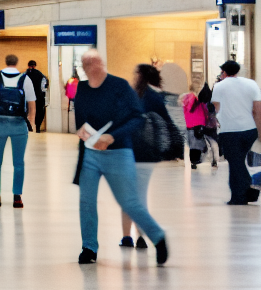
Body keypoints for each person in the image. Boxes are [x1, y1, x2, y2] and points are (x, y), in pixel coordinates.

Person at [72, 49, 167, 264]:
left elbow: (137, 118)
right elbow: (80, 119)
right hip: (90, 154)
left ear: (102, 64)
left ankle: (158, 237)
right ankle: (89, 247)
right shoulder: (83, 89)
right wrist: (81, 131)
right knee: (86, 201)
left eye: (94, 62)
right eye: (87, 64)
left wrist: (112, 137)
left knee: (129, 201)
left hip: (118, 151)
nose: (91, 67)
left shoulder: (120, 86)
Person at [123, 63, 170, 250]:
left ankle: (138, 234)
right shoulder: (158, 97)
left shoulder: (137, 95)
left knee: (132, 195)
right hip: (150, 153)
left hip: (133, 151)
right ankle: (135, 235)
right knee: (135, 194)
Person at [0, 54, 37, 208]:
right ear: (17, 63)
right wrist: (31, 122)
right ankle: (17, 197)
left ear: (5, 62)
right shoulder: (25, 79)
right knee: (19, 163)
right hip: (19, 125)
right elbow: (32, 104)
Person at [211, 60, 261, 205]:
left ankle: (239, 196)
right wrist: (260, 131)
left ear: (224, 72)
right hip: (250, 130)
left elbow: (216, 108)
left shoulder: (219, 86)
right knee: (240, 163)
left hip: (230, 131)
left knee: (235, 163)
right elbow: (258, 109)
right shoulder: (251, 84)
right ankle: (248, 191)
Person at [183, 82, 213, 168]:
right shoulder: (197, 98)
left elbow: (185, 109)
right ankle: (195, 160)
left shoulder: (185, 97)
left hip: (189, 123)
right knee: (198, 142)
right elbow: (204, 109)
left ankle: (193, 161)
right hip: (198, 122)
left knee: (192, 143)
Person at [26, 59, 50, 131]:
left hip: (27, 98)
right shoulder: (41, 75)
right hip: (39, 97)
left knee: (27, 113)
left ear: (28, 65)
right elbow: (44, 88)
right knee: (39, 113)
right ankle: (38, 128)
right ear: (35, 66)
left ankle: (29, 128)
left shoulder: (24, 75)